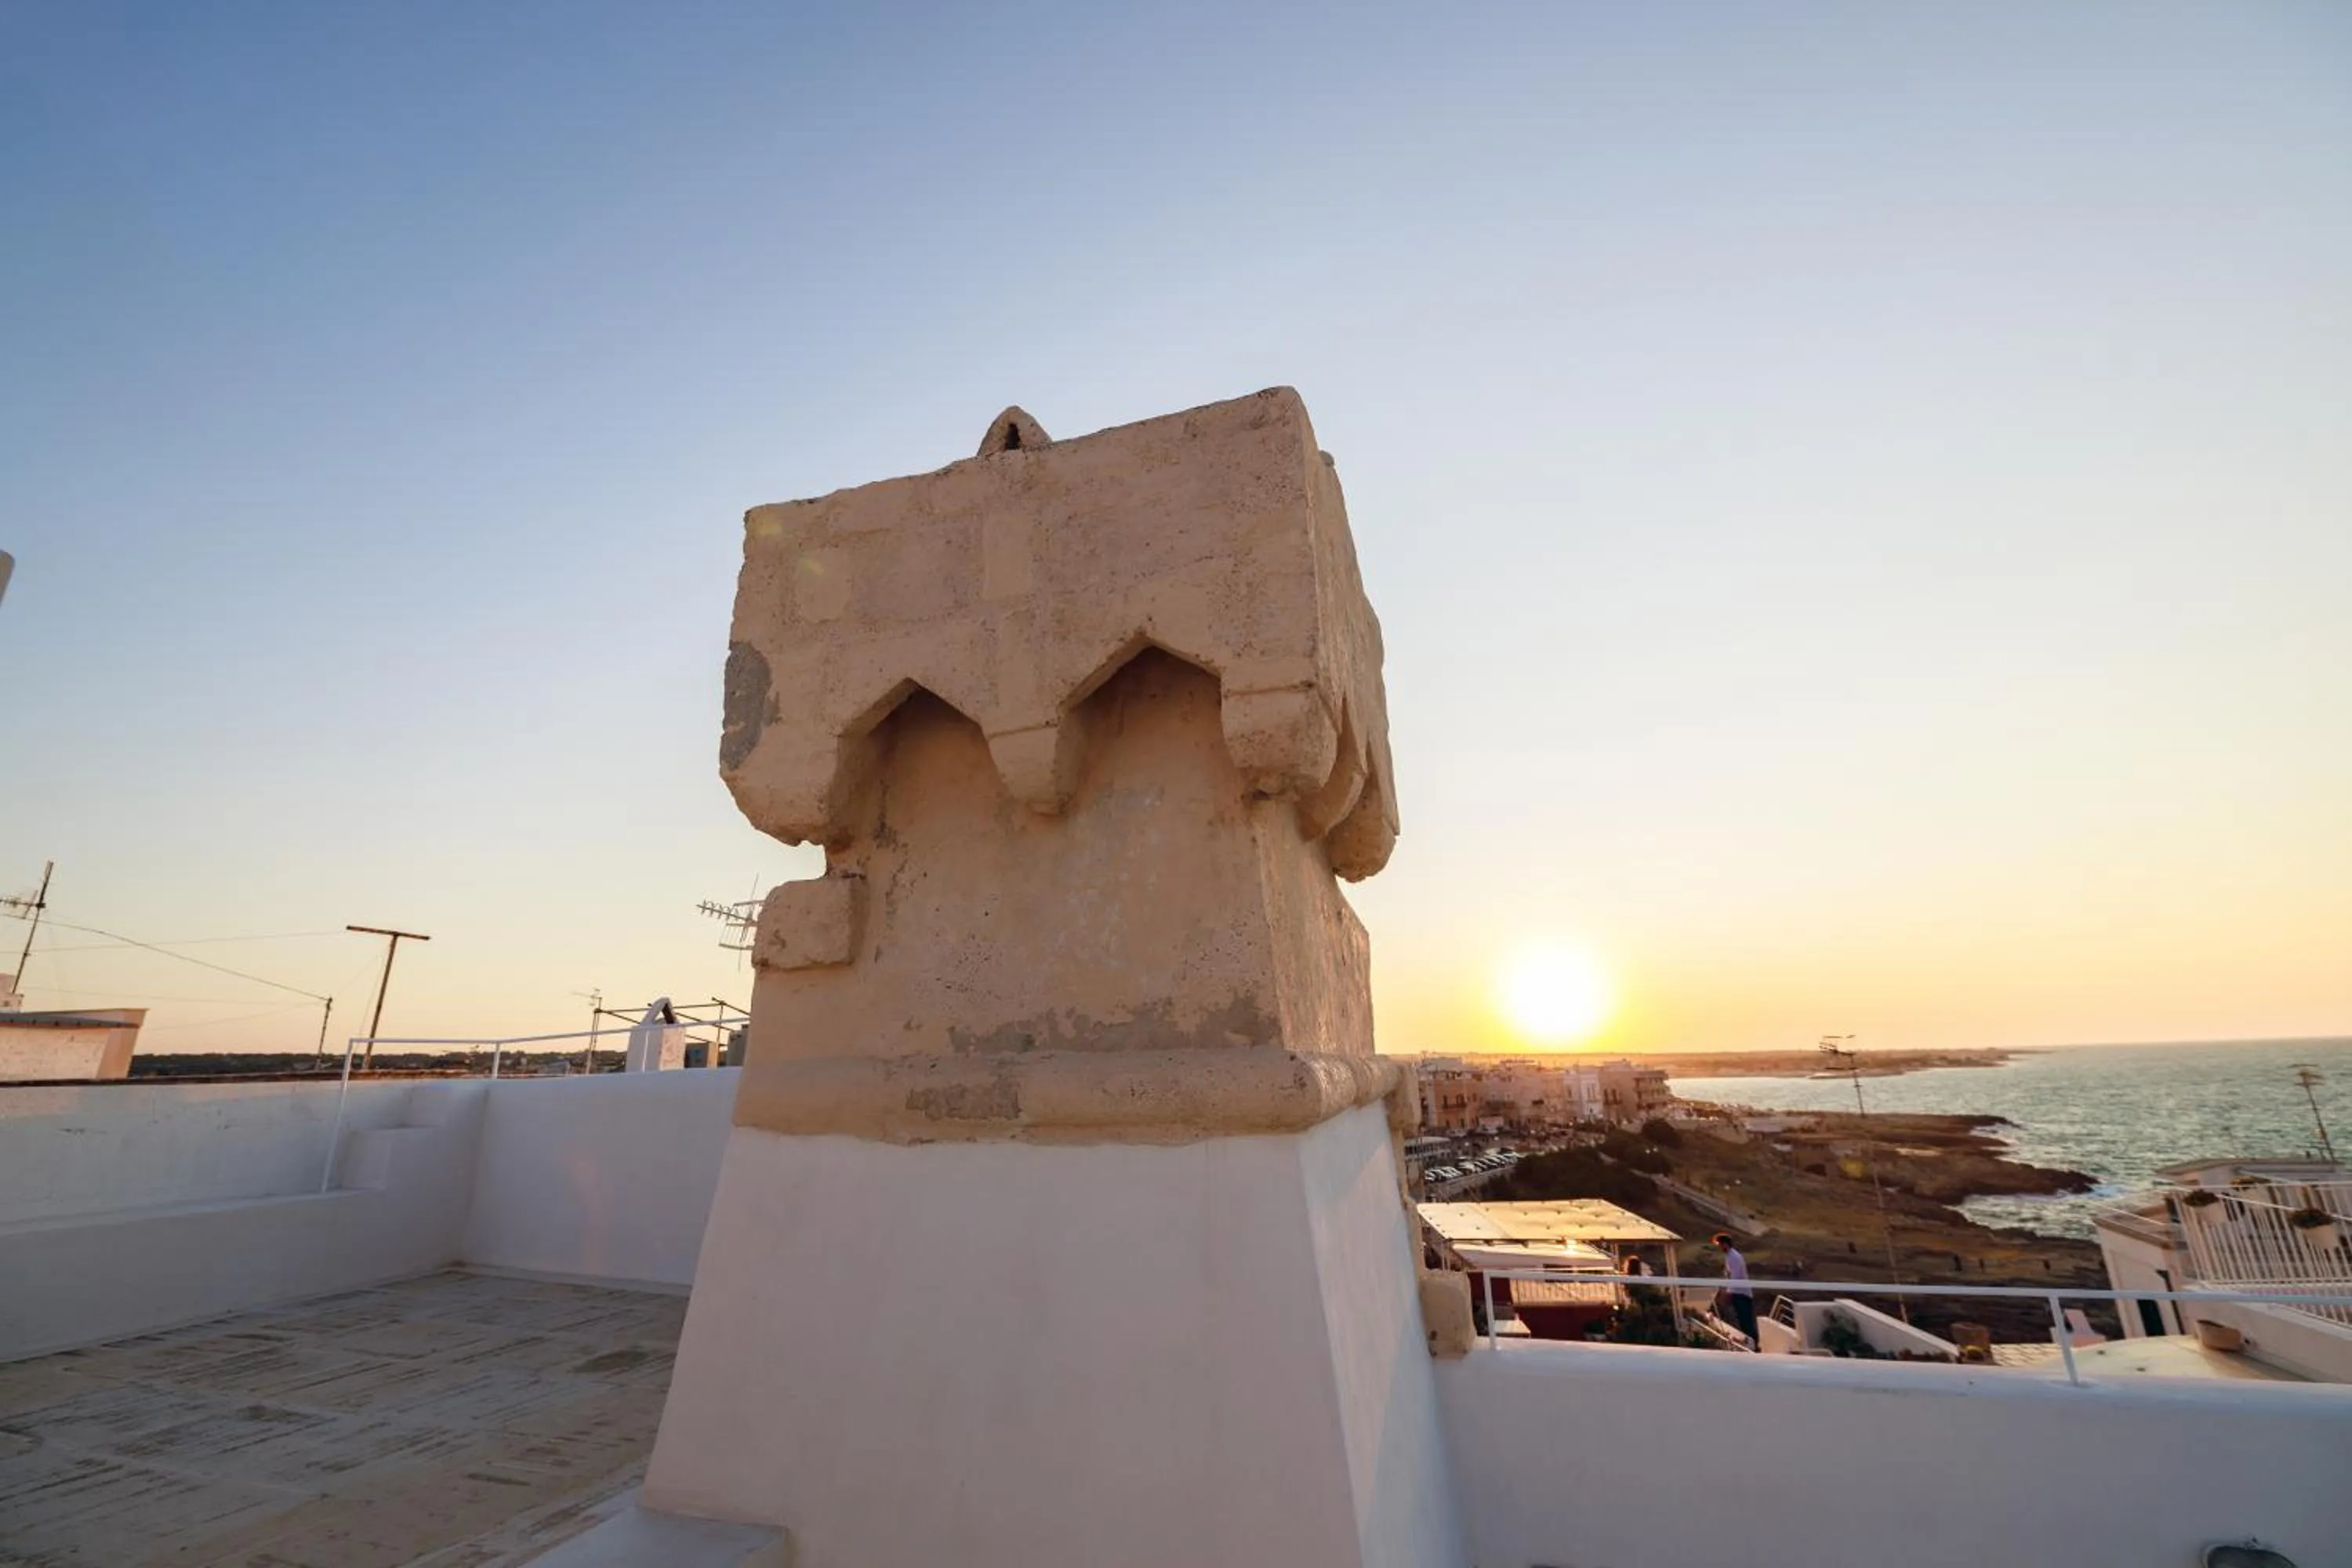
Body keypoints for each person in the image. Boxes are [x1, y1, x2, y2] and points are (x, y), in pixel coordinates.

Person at [1711, 1232, 1759, 1349]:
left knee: (1746, 1320)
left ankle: (1754, 1344)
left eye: (1720, 1244)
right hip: (1738, 1293)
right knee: (1742, 1320)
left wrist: (1729, 1292)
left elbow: (1735, 1277)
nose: (1720, 1247)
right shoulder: (1730, 1257)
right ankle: (1750, 1343)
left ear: (1725, 1244)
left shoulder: (1734, 1257)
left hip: (1741, 1293)